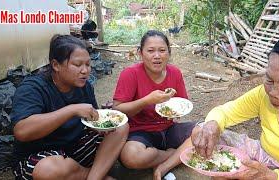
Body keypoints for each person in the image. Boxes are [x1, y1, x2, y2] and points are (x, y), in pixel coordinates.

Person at [191, 32, 279, 179]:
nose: (272, 92)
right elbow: (226, 112)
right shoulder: (263, 95)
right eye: (269, 80)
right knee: (204, 132)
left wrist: (274, 177)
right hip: (263, 155)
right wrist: (212, 124)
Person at [10, 34, 129, 180]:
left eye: (88, 64)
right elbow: (22, 131)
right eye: (78, 65)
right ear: (56, 65)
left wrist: (100, 125)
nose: (85, 71)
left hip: (74, 148)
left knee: (120, 128)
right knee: (50, 170)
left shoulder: (85, 87)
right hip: (40, 157)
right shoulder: (33, 88)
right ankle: (92, 174)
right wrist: (71, 110)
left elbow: (92, 121)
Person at [113, 30, 195, 180]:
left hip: (169, 129)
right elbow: (117, 109)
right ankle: (173, 154)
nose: (157, 56)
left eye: (162, 50)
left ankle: (164, 165)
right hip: (140, 132)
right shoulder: (130, 74)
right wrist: (147, 101)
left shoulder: (175, 73)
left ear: (169, 53)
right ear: (140, 53)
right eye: (150, 51)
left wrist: (174, 108)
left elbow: (183, 103)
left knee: (204, 130)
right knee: (130, 157)